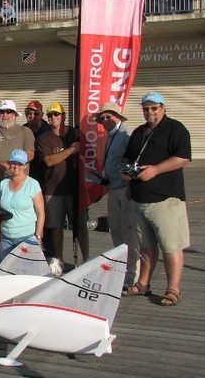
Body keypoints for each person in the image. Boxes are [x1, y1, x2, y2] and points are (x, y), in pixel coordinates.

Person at [122, 91, 191, 307]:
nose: (149, 112)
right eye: (146, 108)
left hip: (166, 199)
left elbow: (183, 157)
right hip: (140, 198)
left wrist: (156, 170)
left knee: (171, 246)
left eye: (154, 107)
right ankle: (143, 283)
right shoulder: (139, 132)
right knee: (146, 245)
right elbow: (128, 157)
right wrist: (126, 173)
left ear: (163, 108)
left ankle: (173, 289)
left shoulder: (175, 128)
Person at [92, 102, 138, 289]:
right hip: (113, 188)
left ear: (117, 116)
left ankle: (133, 273)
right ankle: (122, 269)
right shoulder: (109, 136)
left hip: (125, 189)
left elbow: (133, 162)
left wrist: (130, 185)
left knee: (129, 231)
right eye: (102, 117)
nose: (104, 120)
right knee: (116, 230)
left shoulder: (126, 134)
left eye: (108, 116)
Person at [0, 100, 35, 243]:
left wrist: (5, 165)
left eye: (9, 111)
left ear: (15, 114)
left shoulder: (25, 131)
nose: (5, 114)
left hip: (17, 187)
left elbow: (30, 154)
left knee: (15, 222)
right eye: (2, 111)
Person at [36, 102, 82, 275]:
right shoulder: (44, 138)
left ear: (63, 115)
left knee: (80, 227)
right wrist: (70, 150)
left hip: (75, 188)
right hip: (53, 189)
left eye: (57, 114)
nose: (53, 118)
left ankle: (84, 258)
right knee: (55, 226)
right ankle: (58, 257)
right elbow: (49, 161)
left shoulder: (75, 133)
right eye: (50, 115)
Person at [0, 149, 44, 259]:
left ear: (25, 165)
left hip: (26, 237)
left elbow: (41, 213)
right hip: (6, 236)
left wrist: (38, 236)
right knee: (6, 271)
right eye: (13, 163)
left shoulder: (33, 184)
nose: (16, 166)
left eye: (20, 164)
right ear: (9, 163)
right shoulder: (3, 184)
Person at [23, 100, 51, 182]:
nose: (32, 116)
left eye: (36, 114)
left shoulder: (49, 130)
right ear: (25, 114)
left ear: (41, 115)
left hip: (45, 174)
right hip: (27, 173)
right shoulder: (22, 130)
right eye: (29, 113)